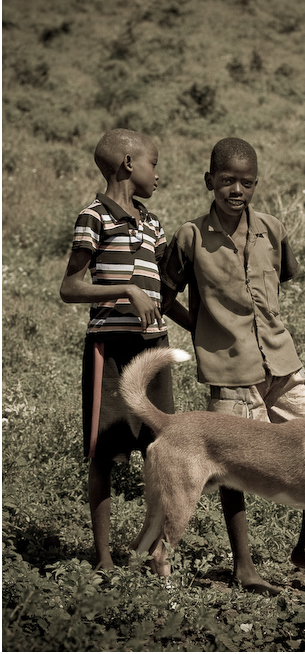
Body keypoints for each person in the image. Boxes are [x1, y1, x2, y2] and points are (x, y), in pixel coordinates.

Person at [161, 137, 305, 594]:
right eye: (227, 180)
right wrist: (201, 327)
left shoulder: (271, 228)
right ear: (209, 181)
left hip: (283, 361)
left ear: (256, 184)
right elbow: (165, 294)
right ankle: (244, 566)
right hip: (229, 372)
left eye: (246, 182)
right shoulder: (190, 236)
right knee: (227, 466)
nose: (237, 189)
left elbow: (281, 278)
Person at [60, 128, 189, 571]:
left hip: (154, 349)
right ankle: (103, 560)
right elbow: (70, 286)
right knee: (105, 452)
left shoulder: (153, 222)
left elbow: (165, 298)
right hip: (110, 351)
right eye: (154, 164)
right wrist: (126, 290)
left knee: (164, 445)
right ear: (130, 164)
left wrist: (204, 326)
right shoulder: (93, 216)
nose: (159, 175)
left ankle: (155, 552)